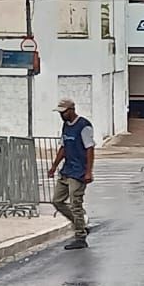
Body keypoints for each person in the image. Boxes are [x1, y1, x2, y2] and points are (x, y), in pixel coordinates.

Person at [46, 98, 95, 249]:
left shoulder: (84, 126)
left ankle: (80, 236)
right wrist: (54, 166)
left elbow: (90, 149)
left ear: (71, 110)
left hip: (78, 171)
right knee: (57, 201)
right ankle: (80, 224)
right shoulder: (66, 126)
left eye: (64, 112)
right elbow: (63, 147)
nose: (61, 115)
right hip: (67, 169)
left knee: (76, 203)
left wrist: (88, 172)